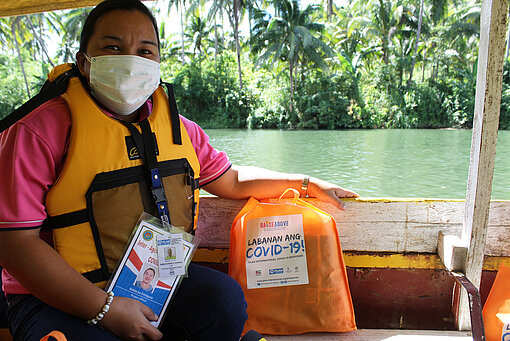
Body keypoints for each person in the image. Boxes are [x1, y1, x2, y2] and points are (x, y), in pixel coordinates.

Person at [0, 0, 359, 340]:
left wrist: (306, 183)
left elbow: (230, 179)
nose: (130, 60)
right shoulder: (37, 131)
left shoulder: (178, 129)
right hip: (51, 296)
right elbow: (15, 245)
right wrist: (105, 310)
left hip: (151, 283)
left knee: (223, 301)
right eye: (112, 48)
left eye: (144, 51)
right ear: (84, 61)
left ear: (157, 62)